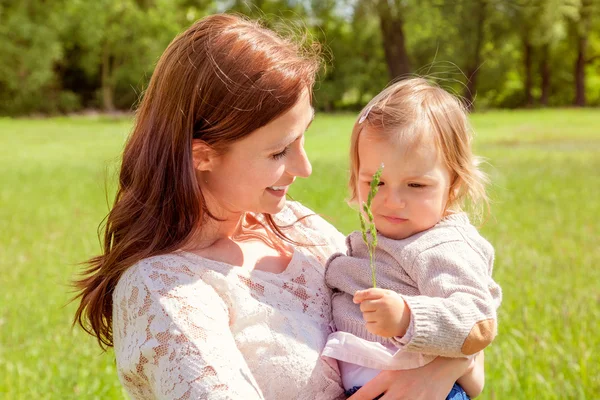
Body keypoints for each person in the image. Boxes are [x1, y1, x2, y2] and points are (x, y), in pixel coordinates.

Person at [73, 14, 482, 399]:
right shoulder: (164, 292)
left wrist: (438, 373)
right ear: (203, 155)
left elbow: (463, 324)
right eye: (278, 152)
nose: (303, 168)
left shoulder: (295, 224)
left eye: (304, 137)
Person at [323, 78, 503, 399]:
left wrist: (408, 317)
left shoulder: (439, 244)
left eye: (416, 185)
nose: (392, 201)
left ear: (455, 185)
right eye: (375, 183)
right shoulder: (377, 239)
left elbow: (478, 321)